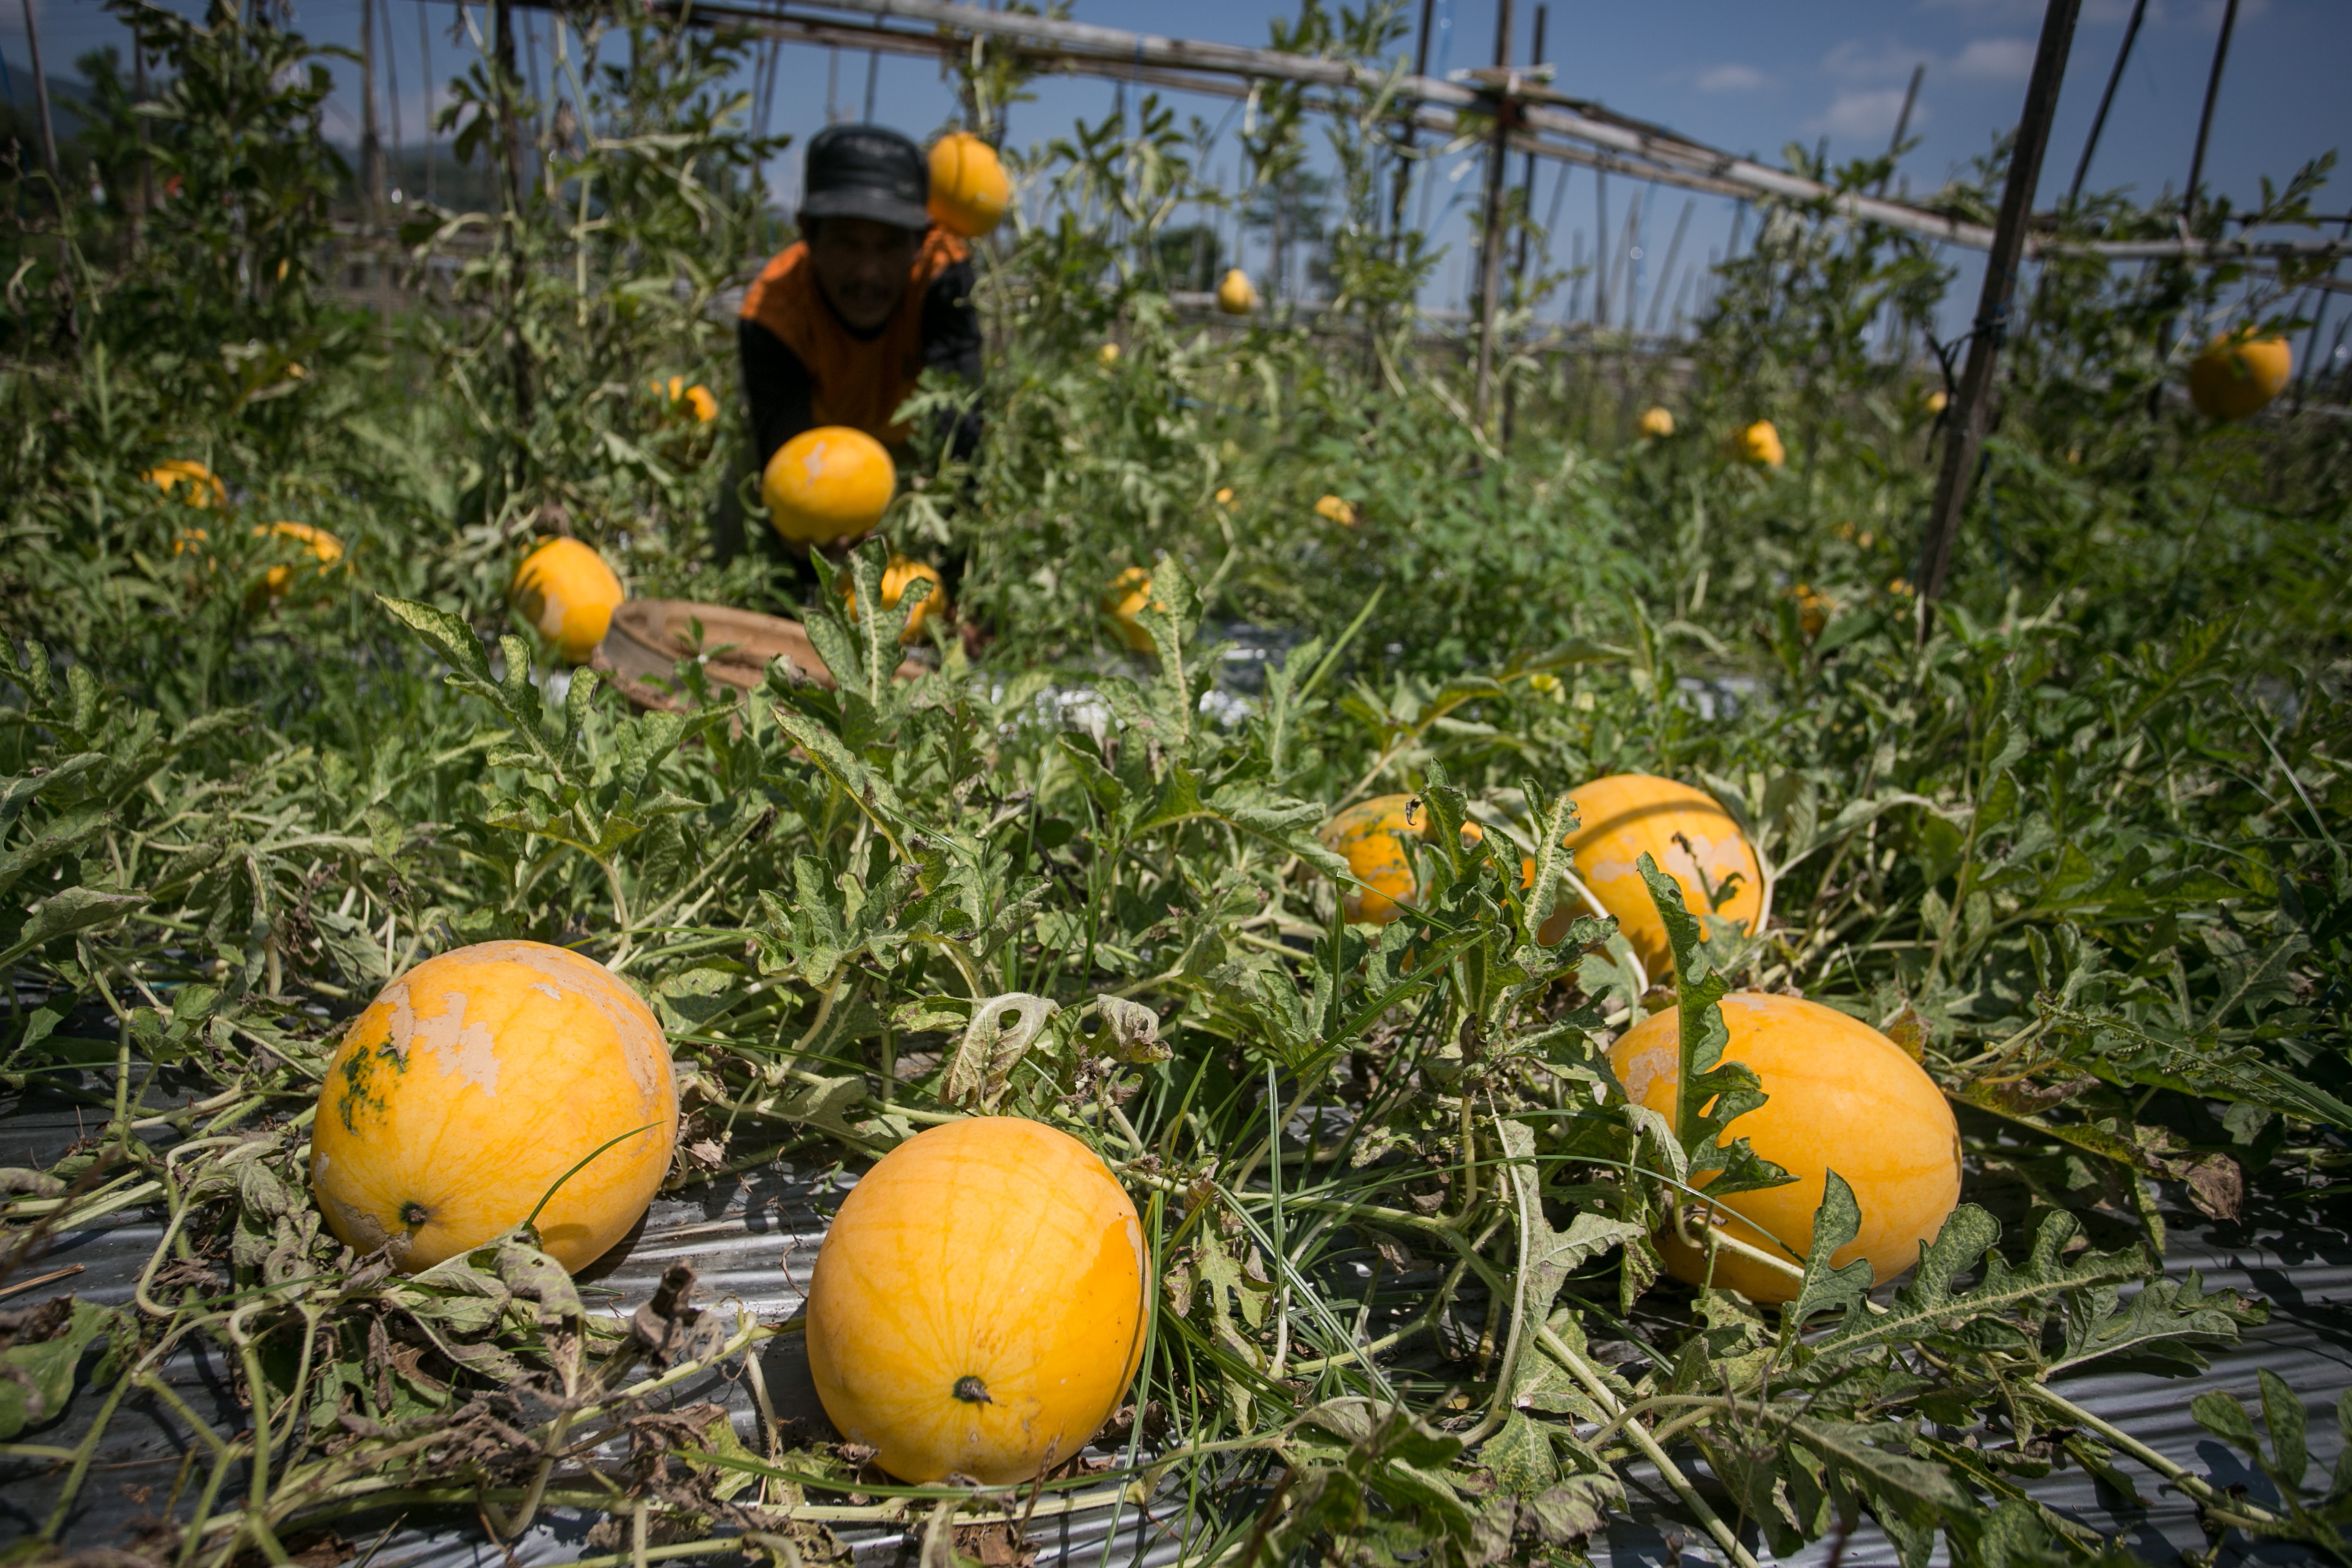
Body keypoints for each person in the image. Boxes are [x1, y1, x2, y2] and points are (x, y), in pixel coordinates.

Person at [717, 124, 983, 578]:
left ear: (920, 242)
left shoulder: (944, 279)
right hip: (814, 444)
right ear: (808, 234)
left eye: (889, 245)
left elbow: (959, 433)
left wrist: (962, 576)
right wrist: (805, 537)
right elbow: (789, 460)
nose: (868, 272)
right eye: (846, 241)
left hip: (905, 448)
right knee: (747, 525)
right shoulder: (772, 313)